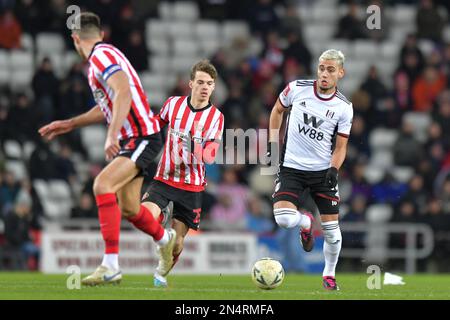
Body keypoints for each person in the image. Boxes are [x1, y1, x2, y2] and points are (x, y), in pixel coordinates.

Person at [38, 12, 176, 286]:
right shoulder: (105, 55)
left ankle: (110, 265)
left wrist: (110, 135)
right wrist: (70, 123)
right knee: (129, 209)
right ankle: (164, 238)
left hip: (142, 136)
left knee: (102, 185)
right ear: (100, 33)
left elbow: (123, 92)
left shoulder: (100, 57)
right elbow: (108, 105)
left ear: (75, 39)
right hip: (136, 139)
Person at [268, 49, 353, 290]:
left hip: (321, 171)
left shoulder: (344, 107)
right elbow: (277, 110)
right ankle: (305, 222)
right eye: (322, 68)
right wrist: (274, 143)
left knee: (332, 233)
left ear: (341, 73)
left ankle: (329, 274)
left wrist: (334, 169)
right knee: (283, 219)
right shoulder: (296, 88)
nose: (324, 74)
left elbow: (341, 146)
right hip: (291, 167)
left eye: (330, 70)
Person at [141, 60, 224, 287]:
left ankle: (160, 272)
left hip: (192, 186)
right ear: (190, 84)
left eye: (209, 83)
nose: (205, 87)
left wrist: (192, 146)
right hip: (165, 177)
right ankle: (162, 233)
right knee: (145, 216)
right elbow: (155, 126)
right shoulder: (173, 105)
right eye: (200, 82)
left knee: (177, 245)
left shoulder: (216, 117)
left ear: (214, 87)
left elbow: (210, 156)